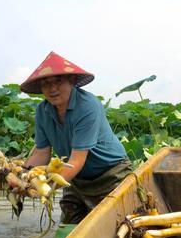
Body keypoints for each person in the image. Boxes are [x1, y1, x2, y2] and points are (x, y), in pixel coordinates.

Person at [20, 51, 131, 224]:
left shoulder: (87, 106)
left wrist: (44, 187)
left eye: (58, 81)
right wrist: (23, 178)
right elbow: (41, 153)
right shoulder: (42, 111)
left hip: (110, 173)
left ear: (71, 81)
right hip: (76, 178)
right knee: (69, 225)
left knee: (114, 225)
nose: (52, 88)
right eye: (46, 83)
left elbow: (77, 160)